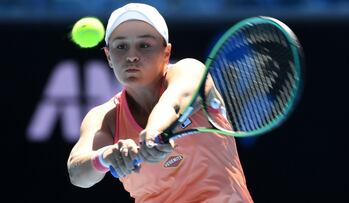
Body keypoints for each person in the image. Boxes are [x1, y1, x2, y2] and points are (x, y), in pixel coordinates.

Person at [67, 3, 253, 203]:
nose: (131, 56)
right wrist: (106, 156)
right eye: (121, 46)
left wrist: (153, 132)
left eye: (144, 45)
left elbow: (173, 103)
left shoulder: (190, 70)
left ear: (166, 52)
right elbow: (78, 174)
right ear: (108, 56)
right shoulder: (104, 117)